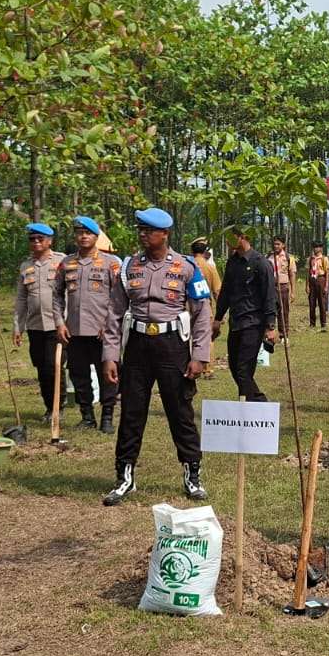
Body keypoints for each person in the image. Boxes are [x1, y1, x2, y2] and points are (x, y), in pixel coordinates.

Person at [102, 207, 213, 505]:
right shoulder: (128, 268)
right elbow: (114, 313)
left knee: (180, 411)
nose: (142, 234)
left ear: (164, 234)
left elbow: (202, 313)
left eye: (148, 230)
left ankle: (192, 473)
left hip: (172, 344)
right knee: (132, 413)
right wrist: (110, 355)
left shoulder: (187, 267)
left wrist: (200, 355)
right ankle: (125, 475)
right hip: (137, 345)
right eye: (140, 229)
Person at [56, 216, 124, 432]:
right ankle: (87, 417)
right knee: (78, 375)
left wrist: (110, 324)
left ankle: (107, 417)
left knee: (108, 374)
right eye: (79, 233)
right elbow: (56, 295)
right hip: (74, 330)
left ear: (96, 236)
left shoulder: (111, 263)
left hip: (103, 331)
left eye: (88, 233)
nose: (83, 236)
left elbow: (120, 298)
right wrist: (59, 322)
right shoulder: (66, 263)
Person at [212, 221, 279, 402]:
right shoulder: (232, 263)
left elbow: (269, 296)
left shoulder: (261, 263)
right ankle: (259, 402)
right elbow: (225, 292)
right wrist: (218, 318)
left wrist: (271, 326)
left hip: (254, 323)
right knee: (235, 367)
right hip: (236, 322)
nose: (227, 242)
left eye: (230, 237)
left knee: (243, 368)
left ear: (243, 237)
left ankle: (250, 408)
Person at [13, 223, 65, 423]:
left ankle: (57, 407)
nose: (35, 242)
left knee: (54, 365)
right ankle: (48, 406)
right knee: (42, 368)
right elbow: (21, 299)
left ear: (49, 241)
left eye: (40, 239)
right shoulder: (25, 266)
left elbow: (68, 293)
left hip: (57, 324)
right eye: (32, 239)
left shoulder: (61, 261)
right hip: (35, 325)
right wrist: (18, 326)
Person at [269, 237, 297, 338]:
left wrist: (293, 291)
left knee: (283, 311)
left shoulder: (288, 257)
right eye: (274, 244)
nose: (276, 246)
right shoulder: (269, 257)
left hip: (283, 287)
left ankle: (284, 335)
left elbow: (292, 274)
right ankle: (270, 334)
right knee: (270, 310)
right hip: (271, 288)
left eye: (278, 244)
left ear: (283, 245)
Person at [305, 242, 329, 328]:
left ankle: (323, 323)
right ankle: (312, 323)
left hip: (321, 279)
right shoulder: (310, 259)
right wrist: (307, 285)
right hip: (312, 280)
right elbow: (308, 272)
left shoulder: (324, 259)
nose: (315, 249)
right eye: (314, 247)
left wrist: (326, 285)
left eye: (317, 247)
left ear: (321, 248)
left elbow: (327, 272)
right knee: (312, 303)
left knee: (322, 303)